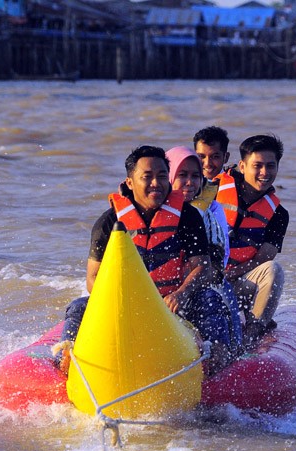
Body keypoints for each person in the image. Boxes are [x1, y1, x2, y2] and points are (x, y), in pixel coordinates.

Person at [55, 146, 233, 375]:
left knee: (209, 299)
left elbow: (202, 267)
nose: (156, 184)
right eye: (147, 177)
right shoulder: (109, 222)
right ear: (130, 182)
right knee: (79, 307)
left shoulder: (188, 217)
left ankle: (218, 365)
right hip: (126, 306)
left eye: (161, 176)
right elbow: (93, 279)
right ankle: (64, 364)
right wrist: (125, 303)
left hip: (174, 305)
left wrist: (182, 293)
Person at [165, 146, 242, 356]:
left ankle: (232, 349)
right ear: (168, 176)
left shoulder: (210, 210)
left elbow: (218, 258)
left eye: (195, 176)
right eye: (182, 175)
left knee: (218, 297)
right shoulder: (149, 211)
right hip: (158, 288)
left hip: (202, 281)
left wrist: (185, 290)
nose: (190, 183)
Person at [214, 134, 289, 345]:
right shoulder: (212, 192)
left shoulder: (279, 214)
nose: (265, 173)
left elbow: (265, 257)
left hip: (239, 283)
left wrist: (232, 273)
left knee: (273, 270)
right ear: (242, 166)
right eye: (257, 165)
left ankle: (253, 332)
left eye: (270, 166)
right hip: (206, 280)